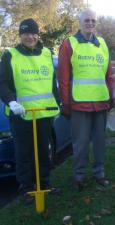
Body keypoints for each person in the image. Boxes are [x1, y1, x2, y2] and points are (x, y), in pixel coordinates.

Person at [0, 18, 60, 204]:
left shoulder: (46, 54)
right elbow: (2, 82)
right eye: (25, 33)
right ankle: (26, 189)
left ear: (38, 35)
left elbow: (52, 83)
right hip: (21, 115)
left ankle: (45, 184)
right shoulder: (10, 55)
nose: (30, 37)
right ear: (20, 35)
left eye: (33, 33)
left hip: (43, 113)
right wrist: (11, 102)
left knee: (43, 152)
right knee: (23, 154)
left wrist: (58, 103)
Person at [58, 9, 114, 190]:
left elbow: (109, 75)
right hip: (79, 103)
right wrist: (66, 103)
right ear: (79, 22)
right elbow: (63, 77)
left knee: (99, 142)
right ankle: (79, 176)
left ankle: (100, 173)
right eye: (87, 20)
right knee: (80, 144)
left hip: (100, 102)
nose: (90, 23)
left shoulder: (103, 44)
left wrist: (111, 98)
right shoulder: (69, 44)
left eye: (93, 21)